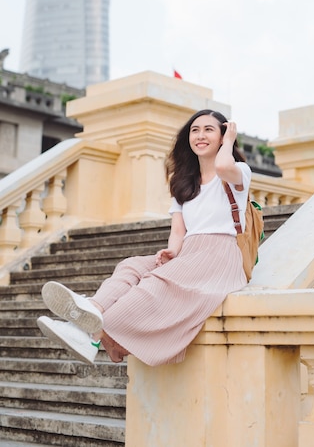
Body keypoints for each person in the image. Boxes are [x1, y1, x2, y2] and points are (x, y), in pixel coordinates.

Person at [37, 109, 251, 366]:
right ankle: (91, 312)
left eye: (209, 130)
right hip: (189, 252)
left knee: (152, 283)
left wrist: (229, 140)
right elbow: (178, 231)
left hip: (219, 257)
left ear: (223, 135)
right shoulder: (184, 182)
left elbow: (222, 165)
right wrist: (172, 251)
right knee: (131, 265)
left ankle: (91, 334)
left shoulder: (237, 172)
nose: (200, 135)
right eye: (195, 130)